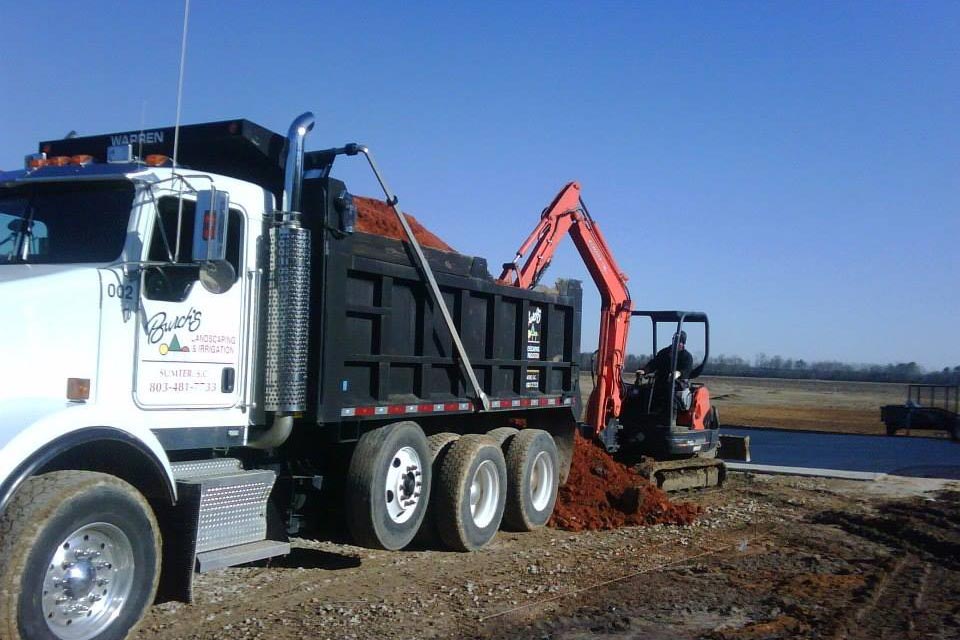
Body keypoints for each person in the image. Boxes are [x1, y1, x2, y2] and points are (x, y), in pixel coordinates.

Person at [635, 331, 694, 413]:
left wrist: (678, 373)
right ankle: (644, 414)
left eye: (679, 341)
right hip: (660, 381)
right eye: (674, 340)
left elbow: (687, 370)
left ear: (683, 343)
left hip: (678, 383)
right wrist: (644, 370)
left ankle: (669, 415)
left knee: (670, 393)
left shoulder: (687, 357)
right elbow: (654, 363)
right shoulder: (664, 353)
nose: (676, 343)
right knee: (642, 391)